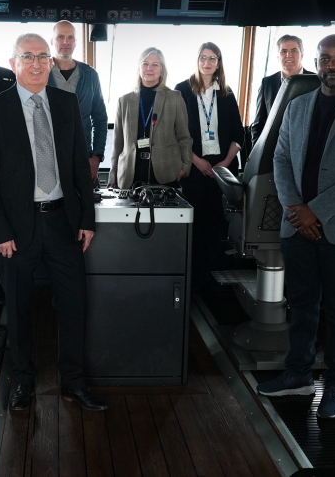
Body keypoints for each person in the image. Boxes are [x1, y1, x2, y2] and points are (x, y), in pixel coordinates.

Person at [257, 34, 335, 420]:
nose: (332, 65)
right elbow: (280, 160)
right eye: (326, 59)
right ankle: (297, 374)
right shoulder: (296, 107)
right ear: (316, 62)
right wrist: (296, 210)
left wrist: (315, 212)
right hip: (296, 225)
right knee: (301, 306)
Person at [0, 33, 107, 412]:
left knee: (74, 305)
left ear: (51, 63)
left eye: (42, 57)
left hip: (63, 223)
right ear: (14, 62)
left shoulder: (66, 104)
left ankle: (73, 383)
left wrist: (87, 217)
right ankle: (23, 381)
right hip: (16, 230)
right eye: (28, 57)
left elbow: (81, 169)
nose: (36, 64)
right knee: (18, 308)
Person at [175, 42, 248, 292]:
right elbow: (176, 132)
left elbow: (239, 134)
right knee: (194, 222)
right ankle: (194, 279)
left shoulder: (226, 93)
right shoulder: (182, 90)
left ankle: (214, 282)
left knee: (217, 223)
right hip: (194, 164)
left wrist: (225, 164)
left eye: (213, 58)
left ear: (219, 63)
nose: (207, 62)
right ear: (197, 60)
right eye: (203, 57)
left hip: (222, 167)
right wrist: (197, 160)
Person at [108, 47, 192, 189]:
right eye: (145, 63)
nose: (149, 68)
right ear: (139, 68)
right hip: (129, 175)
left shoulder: (175, 98)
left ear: (162, 70)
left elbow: (184, 137)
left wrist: (186, 166)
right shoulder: (124, 101)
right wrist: (113, 175)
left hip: (166, 173)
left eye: (155, 64)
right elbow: (117, 143)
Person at [48, 20, 109, 181]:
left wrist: (96, 156)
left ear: (76, 42)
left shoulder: (90, 75)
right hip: (48, 158)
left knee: (82, 205)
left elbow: (100, 119)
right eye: (60, 37)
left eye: (70, 37)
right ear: (52, 41)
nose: (66, 42)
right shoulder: (41, 74)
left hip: (83, 156)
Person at [250, 34, 314, 141]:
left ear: (302, 55)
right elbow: (259, 124)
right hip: (273, 151)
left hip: (306, 149)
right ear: (278, 57)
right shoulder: (267, 83)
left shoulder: (316, 81)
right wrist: (257, 155)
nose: (289, 55)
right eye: (283, 51)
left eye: (294, 51)